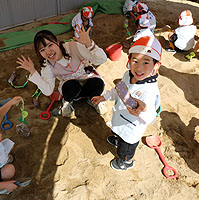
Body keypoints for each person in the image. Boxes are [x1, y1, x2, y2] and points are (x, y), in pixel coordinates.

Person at [91, 36, 162, 171]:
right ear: (129, 61)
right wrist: (105, 97)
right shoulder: (127, 75)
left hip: (131, 128)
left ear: (156, 65)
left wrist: (143, 110)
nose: (139, 68)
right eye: (135, 61)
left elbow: (152, 114)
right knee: (117, 131)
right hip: (120, 117)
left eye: (146, 62)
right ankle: (118, 139)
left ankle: (126, 162)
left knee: (126, 149)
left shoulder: (150, 90)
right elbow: (120, 89)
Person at [16, 26, 107, 117]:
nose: (48, 52)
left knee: (97, 83)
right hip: (72, 89)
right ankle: (67, 102)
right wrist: (32, 71)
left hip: (88, 79)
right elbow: (48, 90)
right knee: (71, 86)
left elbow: (101, 60)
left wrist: (89, 44)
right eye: (42, 50)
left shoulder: (73, 47)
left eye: (50, 45)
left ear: (57, 42)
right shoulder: (47, 65)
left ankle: (93, 99)